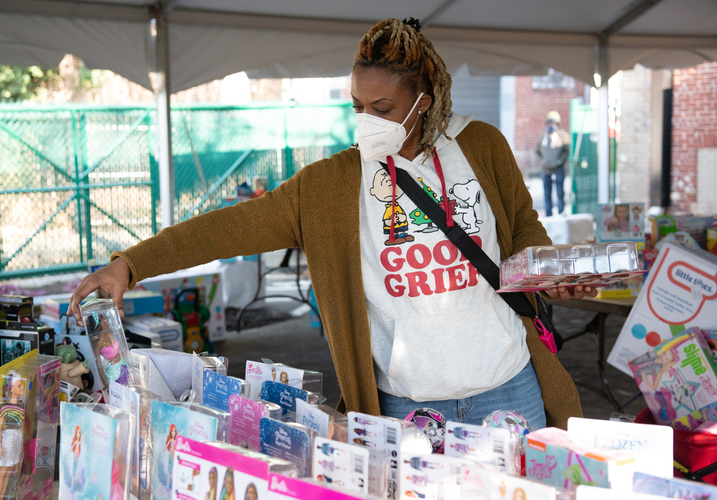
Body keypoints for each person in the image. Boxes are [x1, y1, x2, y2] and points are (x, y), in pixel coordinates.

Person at [70, 17, 595, 430]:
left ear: (423, 101)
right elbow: (227, 228)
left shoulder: (480, 145)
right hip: (403, 406)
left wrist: (547, 269)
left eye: (383, 108)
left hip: (506, 385)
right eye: (357, 106)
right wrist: (130, 265)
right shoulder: (330, 185)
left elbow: (523, 226)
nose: (366, 120)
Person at [535, 111, 570, 217]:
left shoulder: (563, 136)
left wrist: (561, 161)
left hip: (558, 169)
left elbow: (567, 151)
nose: (550, 126)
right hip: (546, 170)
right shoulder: (543, 138)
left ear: (557, 124)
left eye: (553, 124)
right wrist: (542, 163)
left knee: (560, 192)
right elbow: (537, 152)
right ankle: (548, 212)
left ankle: (561, 211)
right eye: (549, 124)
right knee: (547, 193)